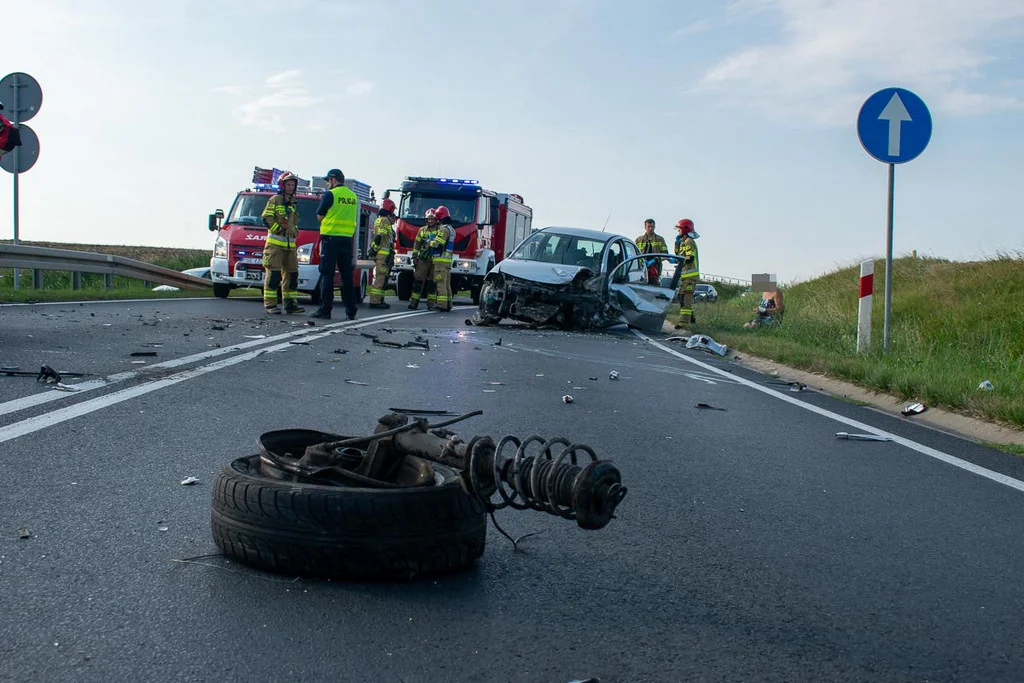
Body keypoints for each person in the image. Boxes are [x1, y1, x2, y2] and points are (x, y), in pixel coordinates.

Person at [310, 168, 358, 321]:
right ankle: (351, 310)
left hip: (331, 240)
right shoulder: (353, 196)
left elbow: (319, 216)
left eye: (328, 181)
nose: (327, 184)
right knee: (346, 277)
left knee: (327, 275)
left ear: (333, 180)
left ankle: (325, 310)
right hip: (346, 240)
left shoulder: (330, 194)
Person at [259, 171, 305, 314]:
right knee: (274, 276)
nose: (291, 187)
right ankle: (271, 305)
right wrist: (278, 229)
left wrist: (295, 231)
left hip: (290, 246)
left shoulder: (293, 204)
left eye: (293, 185)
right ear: (282, 185)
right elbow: (266, 217)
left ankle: (290, 305)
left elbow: (294, 222)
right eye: (289, 184)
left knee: (292, 276)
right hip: (275, 246)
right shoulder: (275, 200)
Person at [367, 198, 397, 309]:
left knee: (382, 277)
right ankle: (375, 301)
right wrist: (377, 248)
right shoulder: (385, 221)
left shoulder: (378, 220)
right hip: (383, 254)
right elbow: (380, 236)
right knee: (380, 278)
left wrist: (374, 249)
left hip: (380, 253)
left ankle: (379, 299)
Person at [408, 209, 438, 310]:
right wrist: (414, 257)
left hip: (434, 260)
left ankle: (431, 304)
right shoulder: (422, 230)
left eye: (432, 219)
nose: (430, 221)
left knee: (432, 282)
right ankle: (413, 302)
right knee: (418, 280)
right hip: (423, 259)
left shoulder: (440, 230)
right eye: (429, 219)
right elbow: (417, 245)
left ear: (436, 220)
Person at [673, 218, 700, 328]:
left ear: (685, 229)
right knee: (681, 297)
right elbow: (678, 254)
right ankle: (691, 319)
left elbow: (689, 257)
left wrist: (680, 261)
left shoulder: (689, 241)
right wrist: (676, 244)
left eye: (679, 229)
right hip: (685, 276)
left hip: (690, 277)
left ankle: (684, 323)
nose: (678, 231)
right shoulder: (683, 242)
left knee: (685, 299)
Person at [428, 205, 455, 312]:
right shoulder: (451, 229)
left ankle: (441, 305)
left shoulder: (443, 229)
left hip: (441, 261)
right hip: (447, 261)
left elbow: (438, 244)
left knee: (440, 284)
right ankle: (448, 304)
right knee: (447, 284)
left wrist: (430, 242)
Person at [635, 218, 668, 285]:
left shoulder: (660, 239)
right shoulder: (639, 240)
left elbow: (665, 255)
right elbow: (634, 253)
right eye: (648, 227)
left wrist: (655, 260)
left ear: (654, 227)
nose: (650, 228)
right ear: (645, 227)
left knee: (654, 286)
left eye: (652, 227)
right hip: (641, 268)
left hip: (655, 268)